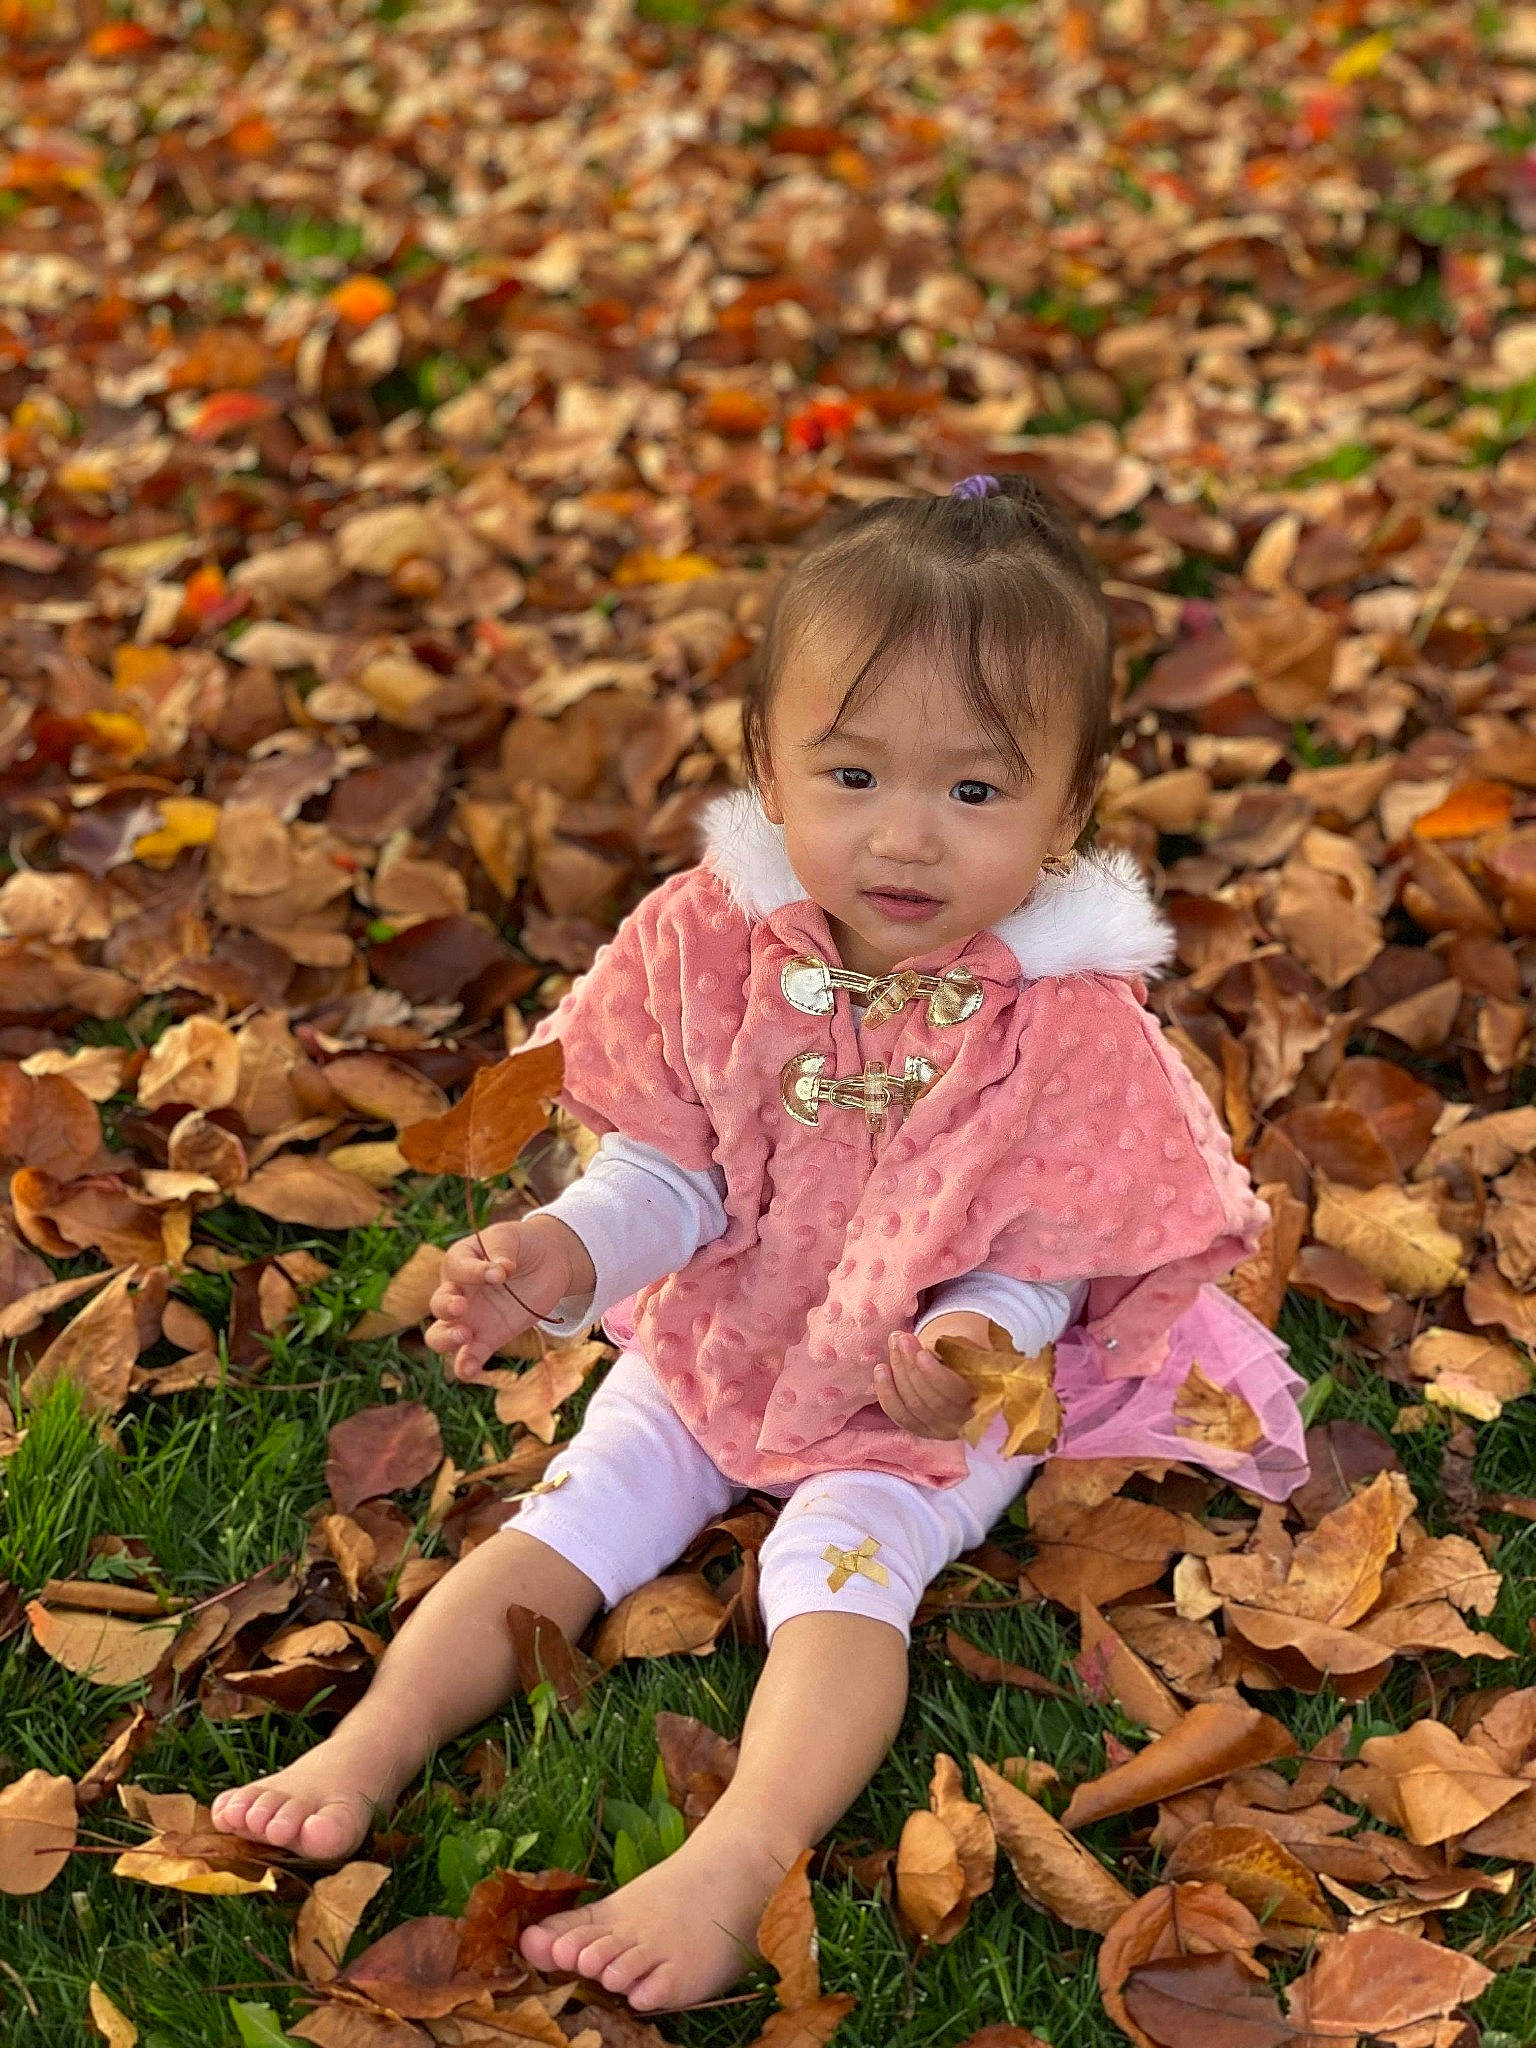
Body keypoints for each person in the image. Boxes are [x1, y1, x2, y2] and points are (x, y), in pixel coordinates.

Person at [211, 473, 1308, 2011]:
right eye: (851, 774)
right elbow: (673, 1170)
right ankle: (376, 1736)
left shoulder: (1068, 1029)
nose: (905, 838)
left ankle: (741, 1855)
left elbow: (1049, 1242)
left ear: (1069, 812)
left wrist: (979, 1344)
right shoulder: (711, 944)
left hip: (913, 1395)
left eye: (976, 794)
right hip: (725, 1328)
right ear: (768, 768)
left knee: (834, 1567)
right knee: (571, 1514)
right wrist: (564, 1253)